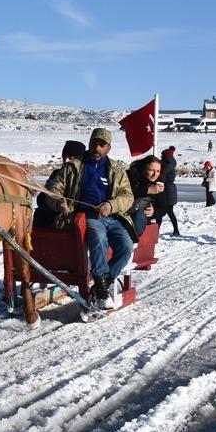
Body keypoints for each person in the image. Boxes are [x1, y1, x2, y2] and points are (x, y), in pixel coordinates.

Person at [46, 127, 136, 310]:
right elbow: (53, 190)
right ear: (89, 143)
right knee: (98, 235)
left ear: (109, 148)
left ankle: (101, 285)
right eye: (95, 143)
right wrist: (58, 203)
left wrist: (111, 205)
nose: (97, 148)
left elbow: (128, 196)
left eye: (102, 145)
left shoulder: (116, 170)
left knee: (126, 247)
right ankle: (102, 286)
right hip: (85, 217)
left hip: (113, 217)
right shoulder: (73, 167)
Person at [34, 140, 86, 228]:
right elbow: (42, 199)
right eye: (64, 157)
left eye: (71, 158)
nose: (66, 160)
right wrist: (57, 202)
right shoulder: (56, 173)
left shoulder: (83, 176)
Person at [127, 155, 165, 236]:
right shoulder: (130, 176)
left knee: (139, 216)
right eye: (152, 170)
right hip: (125, 212)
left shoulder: (159, 183)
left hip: (141, 218)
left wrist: (154, 211)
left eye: (158, 171)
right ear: (143, 169)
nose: (155, 174)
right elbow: (125, 193)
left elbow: (163, 207)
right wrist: (148, 190)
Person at [158, 146, 181, 235]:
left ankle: (175, 230)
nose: (161, 158)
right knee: (165, 212)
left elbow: (162, 173)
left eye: (162, 156)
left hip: (167, 191)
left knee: (164, 212)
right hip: (167, 190)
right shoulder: (169, 163)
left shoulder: (168, 165)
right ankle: (175, 230)